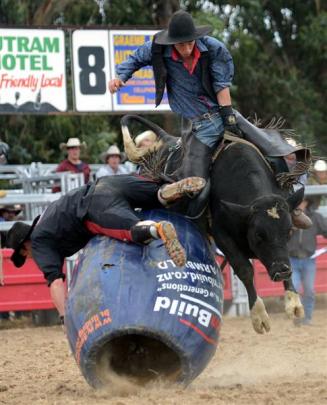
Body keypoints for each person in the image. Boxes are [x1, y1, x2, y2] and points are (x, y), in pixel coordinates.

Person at [5, 174, 205, 320]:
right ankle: (164, 192)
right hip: (108, 183)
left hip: (93, 208)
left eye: (25, 256)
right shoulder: (48, 216)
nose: (31, 258)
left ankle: (157, 229)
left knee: (132, 231)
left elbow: (55, 282)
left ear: (24, 247)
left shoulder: (39, 241)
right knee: (159, 198)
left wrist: (64, 317)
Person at [109, 10, 239, 182]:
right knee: (195, 182)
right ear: (172, 42)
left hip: (223, 114)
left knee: (271, 149)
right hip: (196, 126)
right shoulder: (157, 49)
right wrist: (120, 77)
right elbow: (135, 59)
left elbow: (221, 85)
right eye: (180, 44)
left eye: (190, 43)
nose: (186, 49)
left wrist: (229, 120)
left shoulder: (213, 48)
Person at [288, 199, 327, 325]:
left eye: (303, 201)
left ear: (307, 203)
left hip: (308, 259)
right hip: (293, 259)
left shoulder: (315, 217)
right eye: (298, 202)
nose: (300, 204)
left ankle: (307, 318)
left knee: (309, 290)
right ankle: (298, 316)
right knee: (295, 289)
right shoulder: (288, 218)